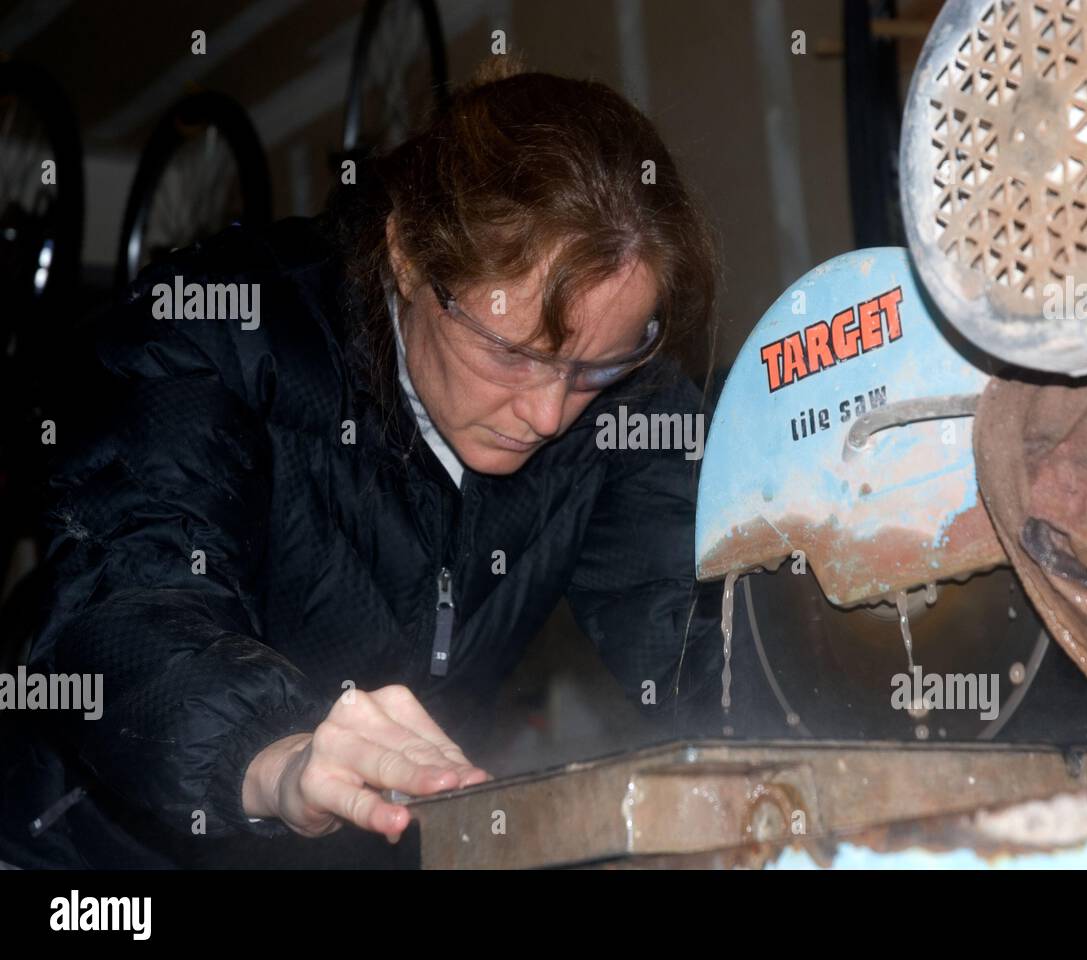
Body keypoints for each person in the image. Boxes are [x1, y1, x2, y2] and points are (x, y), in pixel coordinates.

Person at [0, 57, 735, 868]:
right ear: (408, 255)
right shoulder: (218, 334)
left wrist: (827, 622)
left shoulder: (626, 402)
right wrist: (275, 750)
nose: (549, 412)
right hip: (80, 854)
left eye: (594, 367)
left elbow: (701, 637)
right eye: (512, 354)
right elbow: (132, 589)